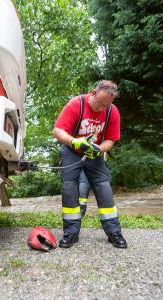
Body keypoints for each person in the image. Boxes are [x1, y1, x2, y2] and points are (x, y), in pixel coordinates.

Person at [52, 80, 127, 249]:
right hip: (72, 150)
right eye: (99, 103)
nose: (101, 109)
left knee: (103, 186)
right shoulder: (76, 104)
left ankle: (114, 232)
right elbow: (57, 131)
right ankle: (71, 233)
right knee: (70, 188)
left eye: (105, 106)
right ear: (93, 93)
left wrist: (99, 149)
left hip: (94, 153)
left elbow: (110, 140)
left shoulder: (112, 112)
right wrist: (74, 142)